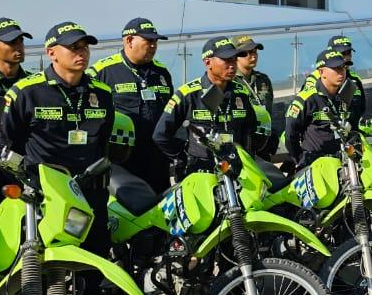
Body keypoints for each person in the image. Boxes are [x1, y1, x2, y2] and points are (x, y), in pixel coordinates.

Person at [2, 22, 113, 291]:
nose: (82, 53)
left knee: (93, 267)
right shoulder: (26, 92)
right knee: (42, 270)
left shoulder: (102, 92)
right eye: (73, 47)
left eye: (85, 47)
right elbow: (5, 144)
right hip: (45, 197)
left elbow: (104, 142)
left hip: (90, 193)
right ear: (51, 53)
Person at [86, 18, 172, 192]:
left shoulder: (162, 72)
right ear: (129, 40)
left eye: (155, 41)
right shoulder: (102, 71)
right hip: (121, 161)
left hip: (157, 159)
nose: (153, 46)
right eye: (148, 41)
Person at [153, 36, 257, 175]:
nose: (232, 65)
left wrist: (247, 157)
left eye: (234, 59)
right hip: (200, 170)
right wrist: (184, 156)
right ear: (208, 62)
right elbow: (160, 135)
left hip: (235, 169)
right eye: (226, 59)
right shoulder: (187, 94)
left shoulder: (241, 92)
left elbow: (250, 129)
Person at [286, 49, 352, 169]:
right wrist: (300, 159)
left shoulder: (346, 94)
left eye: (343, 67)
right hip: (314, 164)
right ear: (321, 72)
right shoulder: (306, 98)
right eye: (336, 68)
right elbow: (290, 134)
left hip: (339, 163)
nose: (341, 72)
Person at [302, 36, 366, 130]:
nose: (347, 57)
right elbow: (304, 112)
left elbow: (361, 107)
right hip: (322, 133)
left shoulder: (354, 79)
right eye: (343, 53)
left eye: (349, 53)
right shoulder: (314, 79)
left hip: (350, 132)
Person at [232, 35, 277, 157]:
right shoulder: (231, 82)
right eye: (248, 53)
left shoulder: (263, 79)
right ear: (236, 56)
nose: (253, 56)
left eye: (255, 52)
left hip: (263, 141)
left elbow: (269, 110)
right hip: (241, 143)